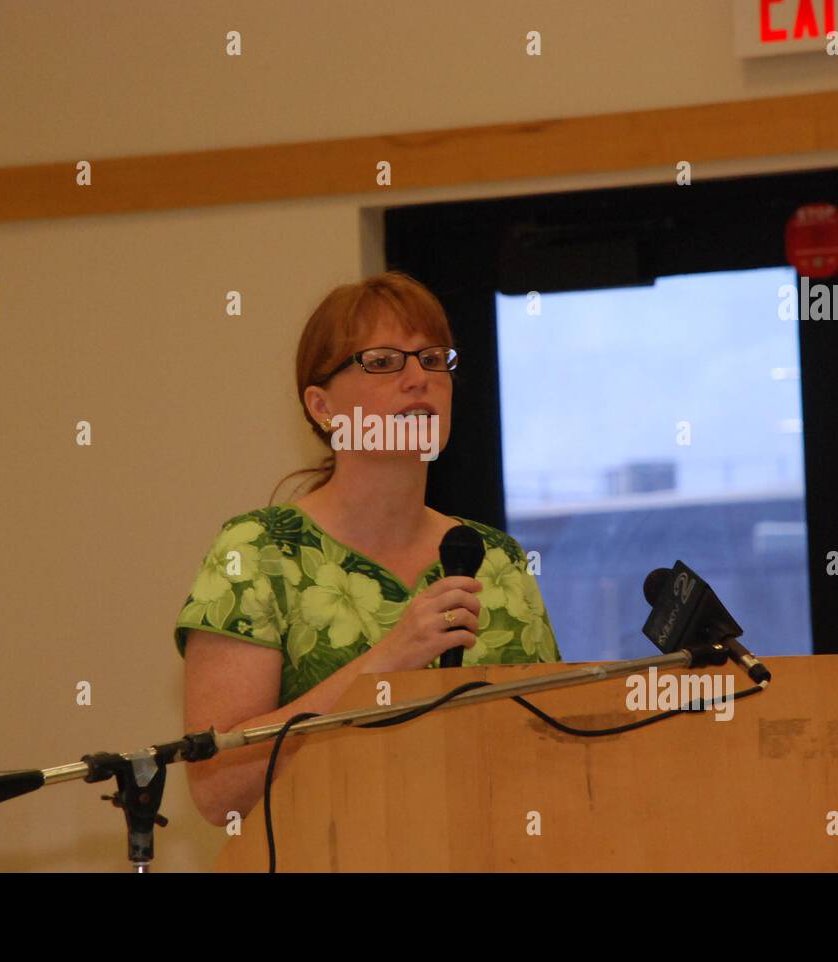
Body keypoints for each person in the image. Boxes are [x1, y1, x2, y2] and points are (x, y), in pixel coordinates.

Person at [173, 271, 562, 826]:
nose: (418, 379)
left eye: (433, 359)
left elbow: (555, 745)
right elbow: (219, 787)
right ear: (322, 405)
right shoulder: (258, 552)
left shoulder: (495, 558)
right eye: (382, 362)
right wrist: (386, 663)